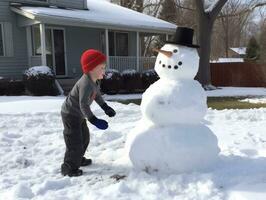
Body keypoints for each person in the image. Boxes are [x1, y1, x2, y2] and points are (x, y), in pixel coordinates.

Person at [60, 49, 116, 177]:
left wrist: (106, 107)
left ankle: (77, 159)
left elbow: (96, 95)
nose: (104, 70)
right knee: (74, 142)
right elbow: (83, 105)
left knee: (84, 138)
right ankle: (68, 167)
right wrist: (94, 120)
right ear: (91, 69)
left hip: (78, 115)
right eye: (101, 67)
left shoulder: (94, 81)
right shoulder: (85, 83)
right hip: (70, 114)